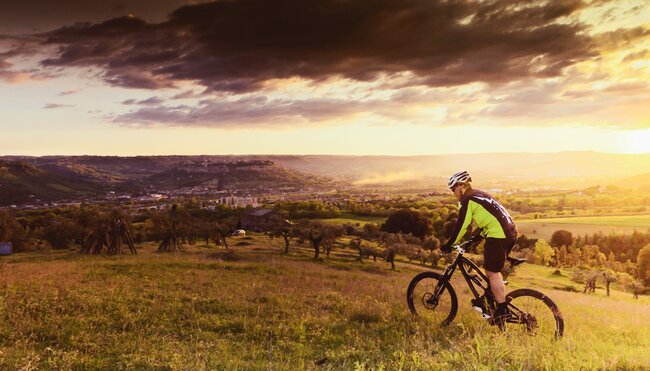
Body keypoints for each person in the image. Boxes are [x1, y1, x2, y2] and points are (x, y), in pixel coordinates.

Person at [440, 171, 518, 329]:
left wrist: (450, 244)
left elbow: (462, 225)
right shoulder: (480, 194)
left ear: (461, 187)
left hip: (498, 235)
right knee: (492, 269)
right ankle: (488, 301)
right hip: (510, 232)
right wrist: (476, 238)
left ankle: (502, 310)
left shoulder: (467, 199)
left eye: (453, 189)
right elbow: (491, 218)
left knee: (492, 271)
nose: (453, 193)